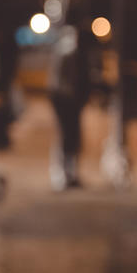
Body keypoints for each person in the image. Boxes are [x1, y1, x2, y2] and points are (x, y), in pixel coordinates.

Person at [47, 24, 91, 190]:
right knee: (68, 135)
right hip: (66, 99)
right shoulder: (69, 50)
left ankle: (68, 172)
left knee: (70, 135)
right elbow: (66, 79)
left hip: (66, 99)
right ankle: (64, 174)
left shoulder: (64, 48)